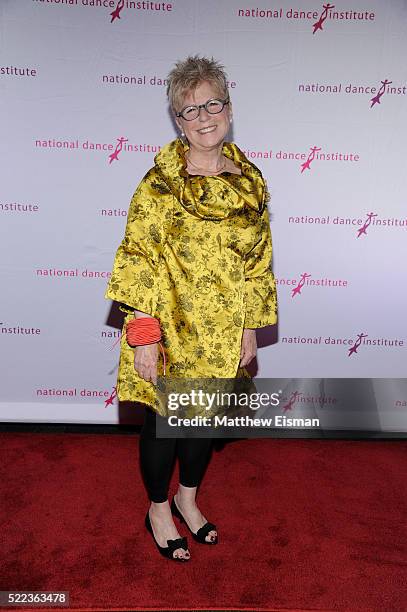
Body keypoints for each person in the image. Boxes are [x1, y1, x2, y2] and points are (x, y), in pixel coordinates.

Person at [105, 55, 278, 561]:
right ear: (177, 121)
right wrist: (143, 335)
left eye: (212, 104)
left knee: (203, 424)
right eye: (189, 110)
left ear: (229, 107)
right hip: (168, 329)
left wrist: (250, 328)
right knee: (164, 426)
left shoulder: (250, 182)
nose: (204, 117)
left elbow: (258, 262)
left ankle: (188, 498)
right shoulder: (160, 183)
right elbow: (136, 259)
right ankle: (159, 508)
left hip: (223, 331)